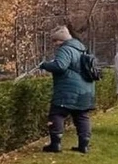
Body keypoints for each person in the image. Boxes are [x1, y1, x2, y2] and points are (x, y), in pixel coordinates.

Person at [38, 25, 96, 154]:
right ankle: (84, 145)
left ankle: (55, 144)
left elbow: (60, 66)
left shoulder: (65, 49)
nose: (55, 44)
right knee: (82, 116)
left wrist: (45, 65)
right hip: (85, 89)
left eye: (55, 41)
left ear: (61, 40)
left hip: (68, 89)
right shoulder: (81, 49)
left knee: (57, 113)